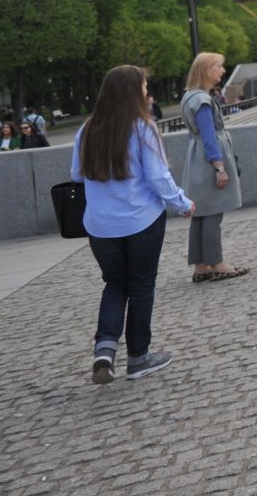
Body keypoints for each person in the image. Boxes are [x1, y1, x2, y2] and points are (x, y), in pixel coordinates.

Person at [73, 65, 194, 384]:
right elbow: (157, 176)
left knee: (115, 284)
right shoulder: (142, 128)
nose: (146, 90)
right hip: (141, 221)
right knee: (141, 285)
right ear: (132, 91)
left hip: (100, 227)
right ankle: (139, 357)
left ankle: (104, 350)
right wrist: (182, 202)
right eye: (143, 85)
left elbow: (76, 173)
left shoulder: (86, 129)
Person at [179, 52, 248, 283]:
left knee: (200, 213)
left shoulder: (190, 96)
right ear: (207, 70)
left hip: (196, 159)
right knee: (212, 214)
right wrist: (220, 168)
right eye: (219, 66)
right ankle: (217, 263)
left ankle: (201, 267)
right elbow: (209, 137)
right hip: (209, 160)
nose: (223, 71)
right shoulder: (202, 101)